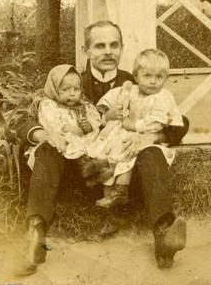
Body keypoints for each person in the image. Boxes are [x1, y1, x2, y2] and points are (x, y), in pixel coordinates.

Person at [15, 20, 189, 274]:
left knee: (152, 152)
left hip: (124, 172)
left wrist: (150, 137)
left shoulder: (139, 80)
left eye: (114, 45)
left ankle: (164, 235)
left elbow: (180, 122)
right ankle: (36, 235)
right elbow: (26, 118)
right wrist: (47, 133)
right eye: (100, 46)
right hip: (81, 169)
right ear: (86, 50)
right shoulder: (71, 81)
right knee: (46, 149)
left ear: (122, 48)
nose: (108, 51)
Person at [89, 49, 184, 209]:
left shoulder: (163, 97)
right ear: (136, 76)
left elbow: (157, 122)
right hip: (123, 134)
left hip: (147, 137)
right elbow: (112, 98)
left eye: (159, 77)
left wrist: (132, 125)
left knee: (128, 154)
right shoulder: (130, 90)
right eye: (147, 76)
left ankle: (121, 190)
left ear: (166, 78)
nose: (153, 81)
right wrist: (109, 110)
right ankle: (109, 199)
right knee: (109, 153)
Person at [25, 64, 101, 167]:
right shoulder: (49, 105)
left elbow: (96, 121)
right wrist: (68, 128)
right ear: (54, 89)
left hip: (83, 141)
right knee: (59, 150)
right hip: (62, 141)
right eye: (65, 89)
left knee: (95, 150)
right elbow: (51, 123)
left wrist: (88, 127)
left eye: (76, 89)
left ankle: (89, 166)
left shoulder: (84, 105)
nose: (72, 94)